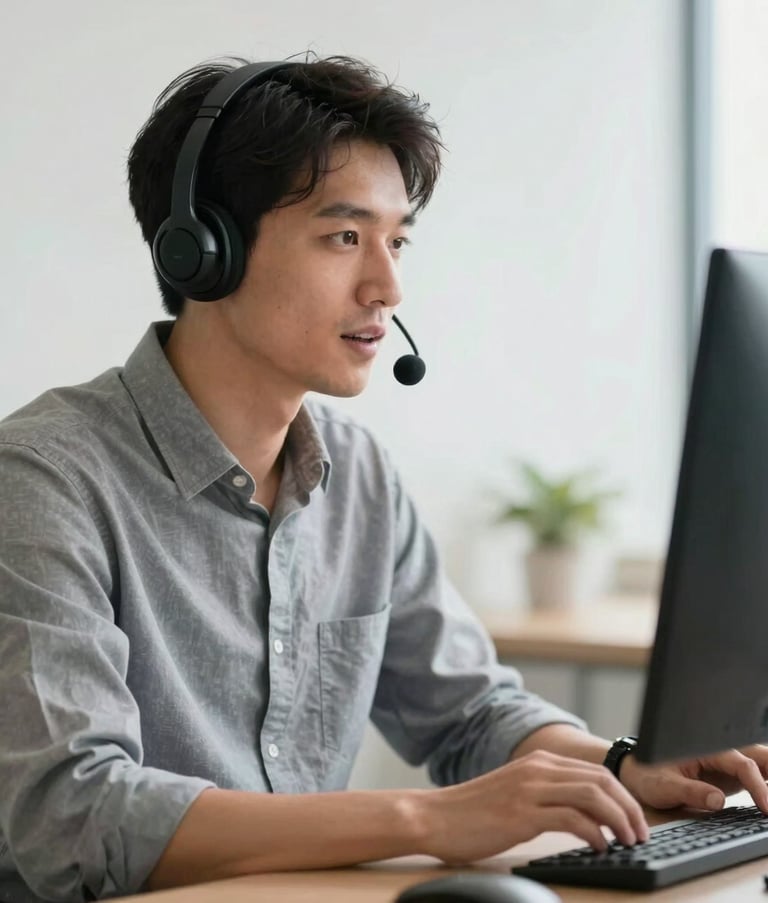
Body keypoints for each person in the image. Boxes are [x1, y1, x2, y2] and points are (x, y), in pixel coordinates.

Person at [0, 53, 766, 903]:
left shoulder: (358, 476)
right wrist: (425, 819)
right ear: (203, 251)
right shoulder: (43, 479)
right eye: (345, 237)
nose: (388, 286)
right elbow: (75, 817)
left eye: (396, 240)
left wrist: (621, 765)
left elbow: (471, 711)